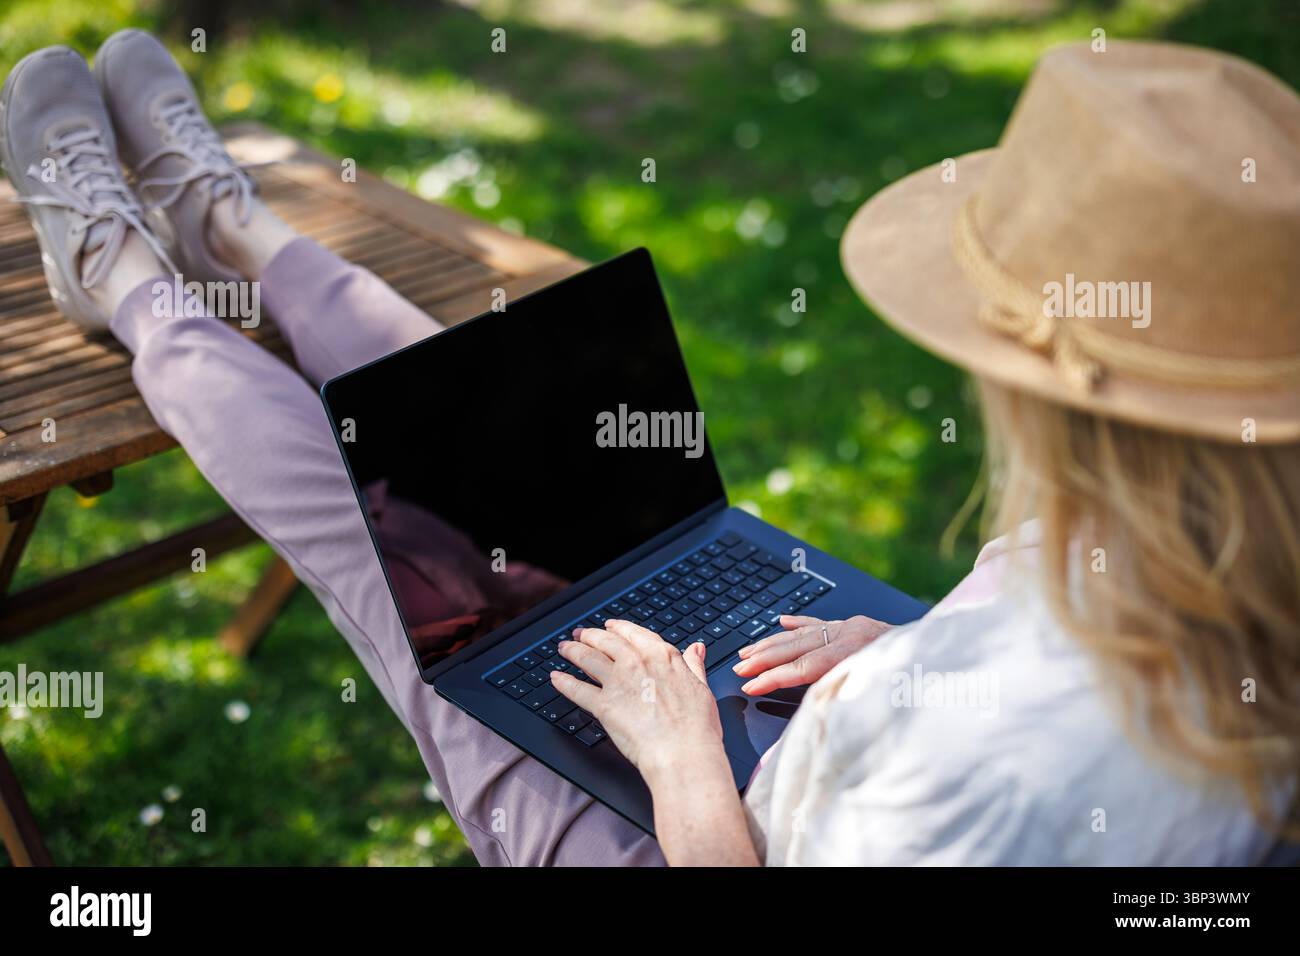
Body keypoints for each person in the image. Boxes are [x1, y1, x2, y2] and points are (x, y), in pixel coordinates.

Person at [3, 31, 1296, 866]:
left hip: (682, 832)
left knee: (374, 537)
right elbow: (1045, 653)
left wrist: (680, 751)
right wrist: (914, 654)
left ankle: (122, 272)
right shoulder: (1222, 578)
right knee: (482, 429)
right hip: (813, 742)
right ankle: (230, 229)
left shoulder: (1004, 783)